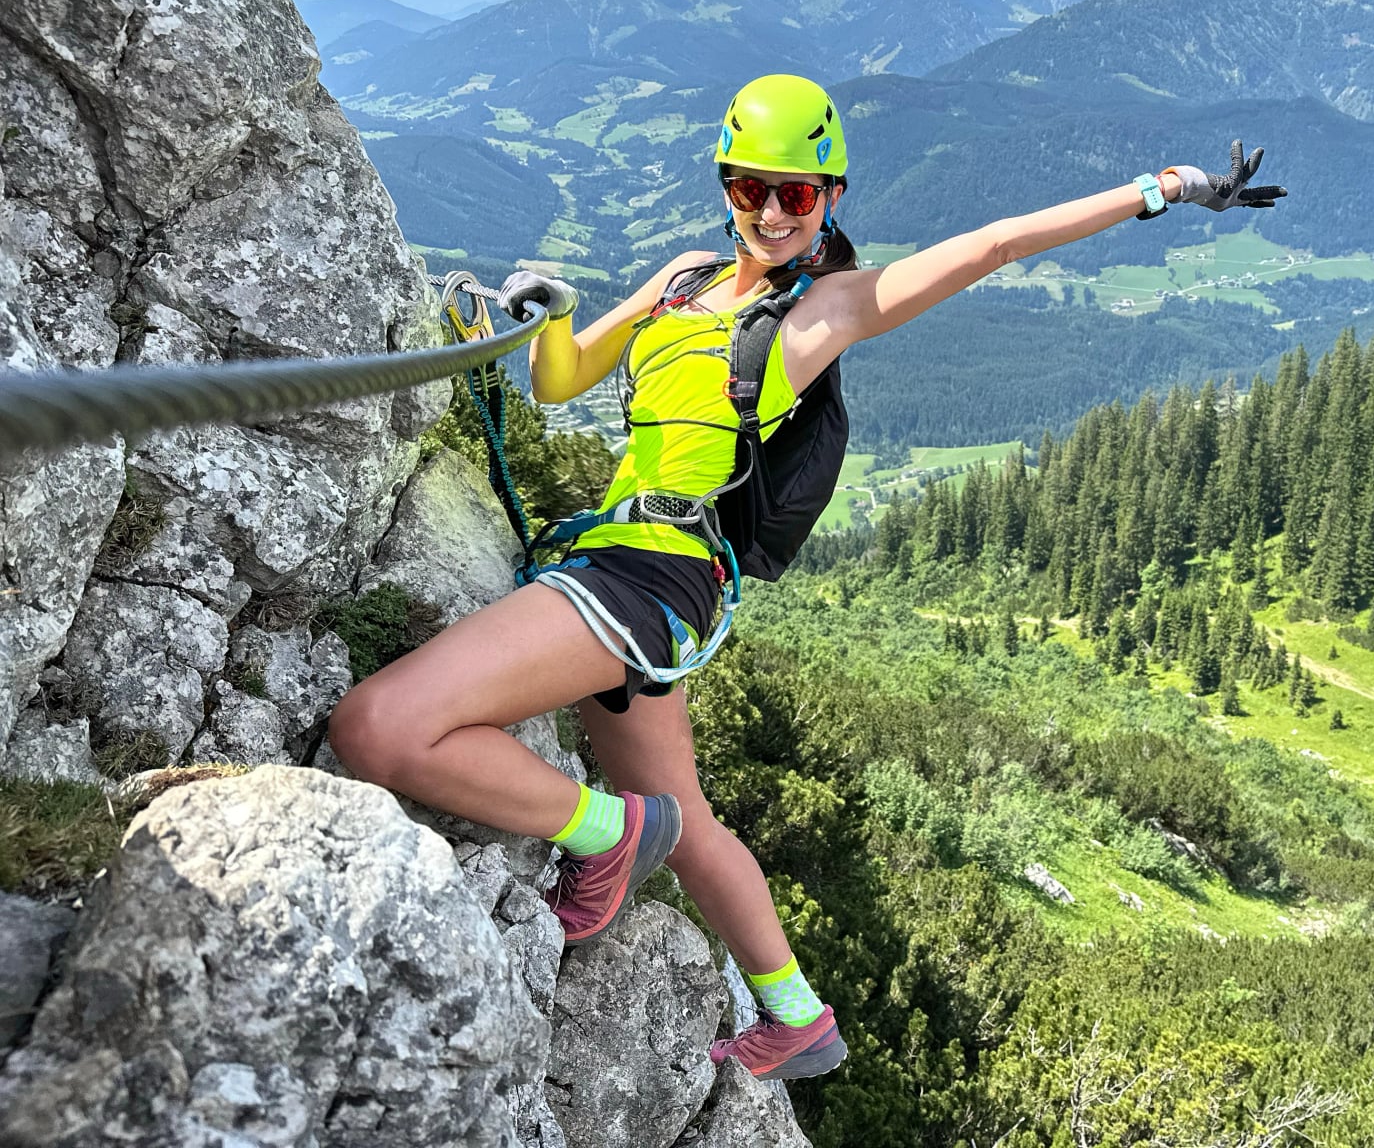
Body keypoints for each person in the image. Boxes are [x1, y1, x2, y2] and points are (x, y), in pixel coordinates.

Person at [326, 73, 1282, 1083]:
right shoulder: (684, 279)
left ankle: (606, 832)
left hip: (652, 578)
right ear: (725, 186)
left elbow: (997, 243)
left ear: (832, 196)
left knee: (379, 728)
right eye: (752, 189)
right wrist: (554, 313)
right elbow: (560, 380)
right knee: (686, 820)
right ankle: (793, 1015)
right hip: (620, 570)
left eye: (800, 193)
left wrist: (1164, 188)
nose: (775, 212)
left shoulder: (827, 311)